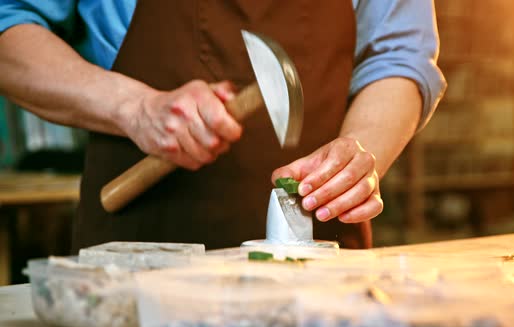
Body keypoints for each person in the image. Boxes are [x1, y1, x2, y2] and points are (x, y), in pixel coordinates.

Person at [0, 1, 446, 251]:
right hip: (142, 264)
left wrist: (357, 155)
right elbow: (8, 22)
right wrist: (136, 108)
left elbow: (400, 55)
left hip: (322, 263)